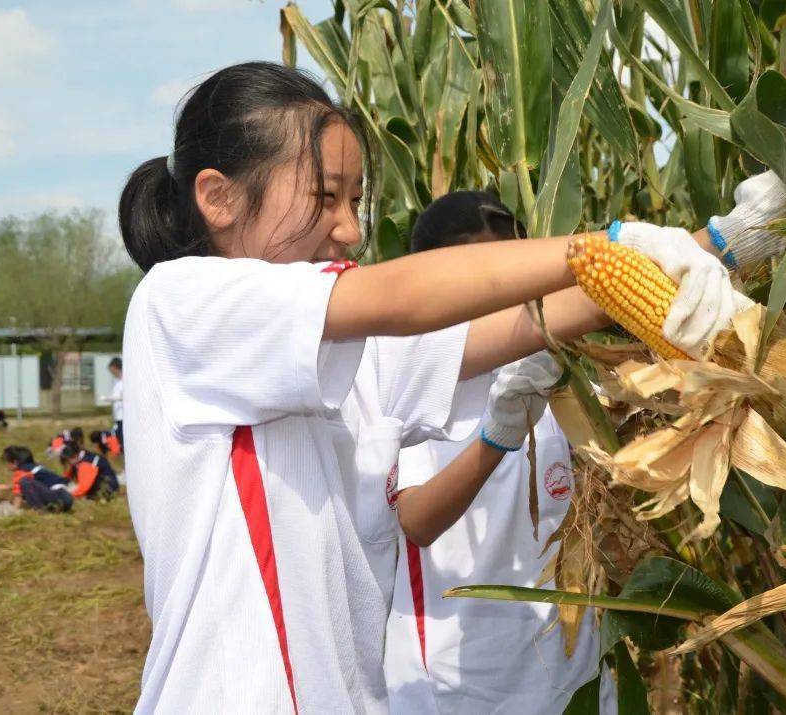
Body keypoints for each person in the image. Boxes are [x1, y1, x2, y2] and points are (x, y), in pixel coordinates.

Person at [116, 62, 746, 714]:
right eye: (324, 197)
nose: (350, 229)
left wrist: (718, 245)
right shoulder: (181, 305)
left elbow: (529, 321)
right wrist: (606, 243)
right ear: (217, 197)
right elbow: (401, 294)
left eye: (356, 201)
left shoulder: (352, 358)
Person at [385, 193, 615, 713]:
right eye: (489, 274)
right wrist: (496, 438)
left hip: (570, 678)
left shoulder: (560, 372)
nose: (512, 291)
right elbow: (415, 521)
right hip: (455, 689)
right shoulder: (409, 387)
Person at [2, 446, 73, 513]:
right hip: (66, 497)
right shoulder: (34, 467)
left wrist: (13, 512)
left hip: (58, 499)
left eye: (7, 462)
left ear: (15, 462)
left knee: (24, 482)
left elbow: (18, 495)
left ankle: (40, 511)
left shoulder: (21, 472)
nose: (6, 465)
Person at [99, 357, 124, 451]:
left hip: (123, 416)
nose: (112, 374)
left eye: (112, 371)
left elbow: (125, 397)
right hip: (118, 416)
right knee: (117, 436)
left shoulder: (125, 381)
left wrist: (109, 398)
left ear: (117, 368)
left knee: (118, 436)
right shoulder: (117, 381)